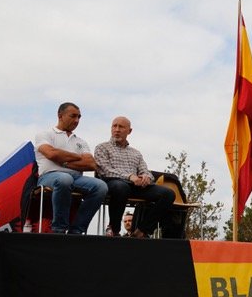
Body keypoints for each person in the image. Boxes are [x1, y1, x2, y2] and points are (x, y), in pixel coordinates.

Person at [94, 116, 175, 238]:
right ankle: (114, 229)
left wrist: (146, 177)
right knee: (121, 187)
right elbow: (104, 170)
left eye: (121, 127)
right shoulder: (102, 147)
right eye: (114, 126)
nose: (117, 129)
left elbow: (145, 171)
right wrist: (130, 176)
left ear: (129, 131)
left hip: (135, 186)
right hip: (112, 184)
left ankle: (142, 230)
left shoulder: (136, 153)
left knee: (169, 194)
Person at [34, 102, 108, 234]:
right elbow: (51, 153)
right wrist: (77, 157)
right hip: (48, 176)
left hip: (76, 178)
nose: (77, 120)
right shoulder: (45, 135)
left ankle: (77, 229)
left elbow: (91, 164)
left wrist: (63, 161)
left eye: (79, 117)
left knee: (101, 187)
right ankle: (59, 228)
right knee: (64, 179)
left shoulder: (80, 141)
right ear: (60, 115)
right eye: (73, 116)